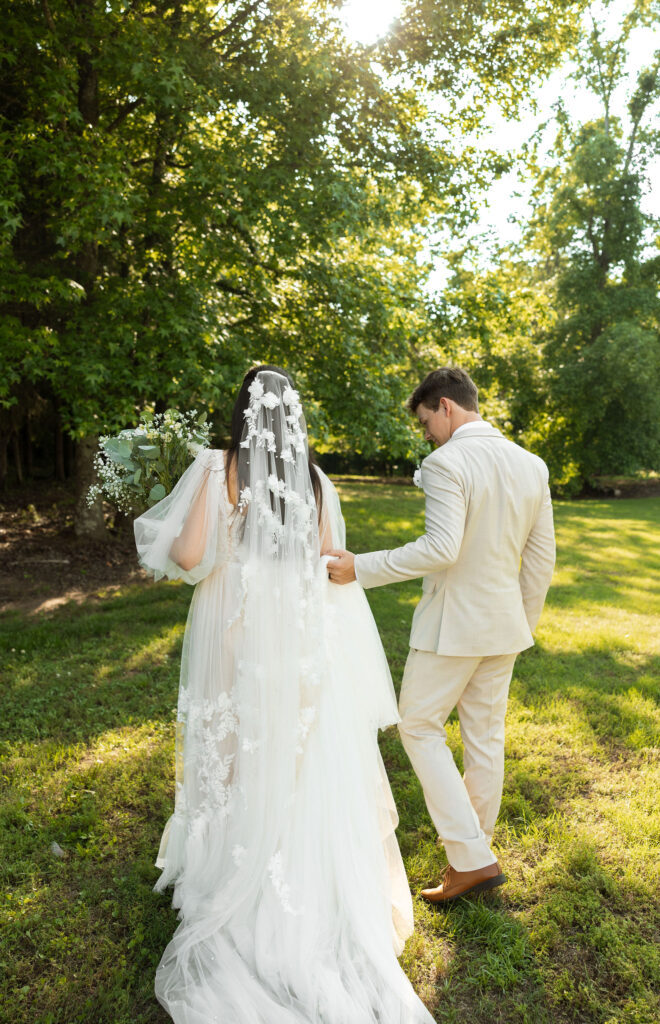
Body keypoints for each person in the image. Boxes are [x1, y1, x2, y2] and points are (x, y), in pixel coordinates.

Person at [133, 366, 435, 1024]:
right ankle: (300, 879)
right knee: (295, 765)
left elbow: (186, 558)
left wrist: (193, 540)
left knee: (234, 755)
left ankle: (229, 867)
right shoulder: (316, 482)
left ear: (241, 411)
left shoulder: (218, 470)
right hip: (296, 650)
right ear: (294, 416)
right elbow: (332, 565)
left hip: (235, 640)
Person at [327, 366, 556, 904]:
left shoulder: (446, 461)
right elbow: (541, 559)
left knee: (418, 727)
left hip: (452, 627)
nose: (426, 433)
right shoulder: (531, 464)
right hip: (505, 626)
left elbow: (441, 548)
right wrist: (521, 622)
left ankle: (471, 857)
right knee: (484, 738)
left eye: (426, 420)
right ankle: (474, 855)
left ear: (446, 407)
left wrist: (362, 565)